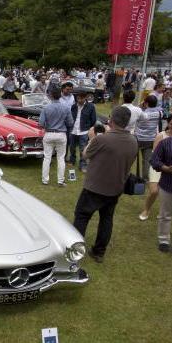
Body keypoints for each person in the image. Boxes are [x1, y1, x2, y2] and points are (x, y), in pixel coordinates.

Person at [73, 106, 138, 262]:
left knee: (81, 216)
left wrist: (91, 138)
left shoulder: (102, 139)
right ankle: (99, 252)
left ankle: (75, 251)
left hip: (95, 187)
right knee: (106, 219)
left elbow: (85, 154)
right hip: (115, 188)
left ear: (112, 119)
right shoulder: (133, 141)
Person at [140, 114, 172, 221]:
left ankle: (165, 212)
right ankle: (146, 209)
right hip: (158, 167)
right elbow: (155, 157)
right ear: (168, 124)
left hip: (171, 171)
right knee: (154, 191)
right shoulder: (161, 136)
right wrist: (164, 167)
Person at [39, 86, 74, 186]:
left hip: (49, 133)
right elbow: (70, 123)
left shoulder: (46, 108)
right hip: (61, 134)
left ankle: (45, 180)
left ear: (51, 95)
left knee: (47, 158)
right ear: (60, 95)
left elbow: (41, 124)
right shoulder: (66, 108)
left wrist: (48, 125)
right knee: (61, 158)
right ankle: (60, 181)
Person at [150, 129, 172, 252]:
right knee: (165, 214)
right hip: (169, 184)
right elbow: (154, 160)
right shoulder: (166, 143)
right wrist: (165, 168)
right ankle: (164, 239)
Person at [135, 95, 162, 181]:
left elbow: (137, 111)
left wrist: (141, 105)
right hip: (150, 139)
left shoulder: (141, 113)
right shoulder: (159, 113)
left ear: (146, 103)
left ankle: (124, 176)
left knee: (130, 159)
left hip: (138, 138)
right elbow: (160, 110)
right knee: (146, 161)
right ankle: (145, 179)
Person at [69, 92, 97, 172]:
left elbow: (93, 119)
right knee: (72, 147)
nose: (79, 100)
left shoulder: (91, 107)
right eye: (78, 98)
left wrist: (88, 128)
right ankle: (72, 160)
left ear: (85, 98)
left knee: (83, 149)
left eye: (81, 98)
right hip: (73, 130)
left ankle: (83, 165)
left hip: (84, 131)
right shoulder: (73, 106)